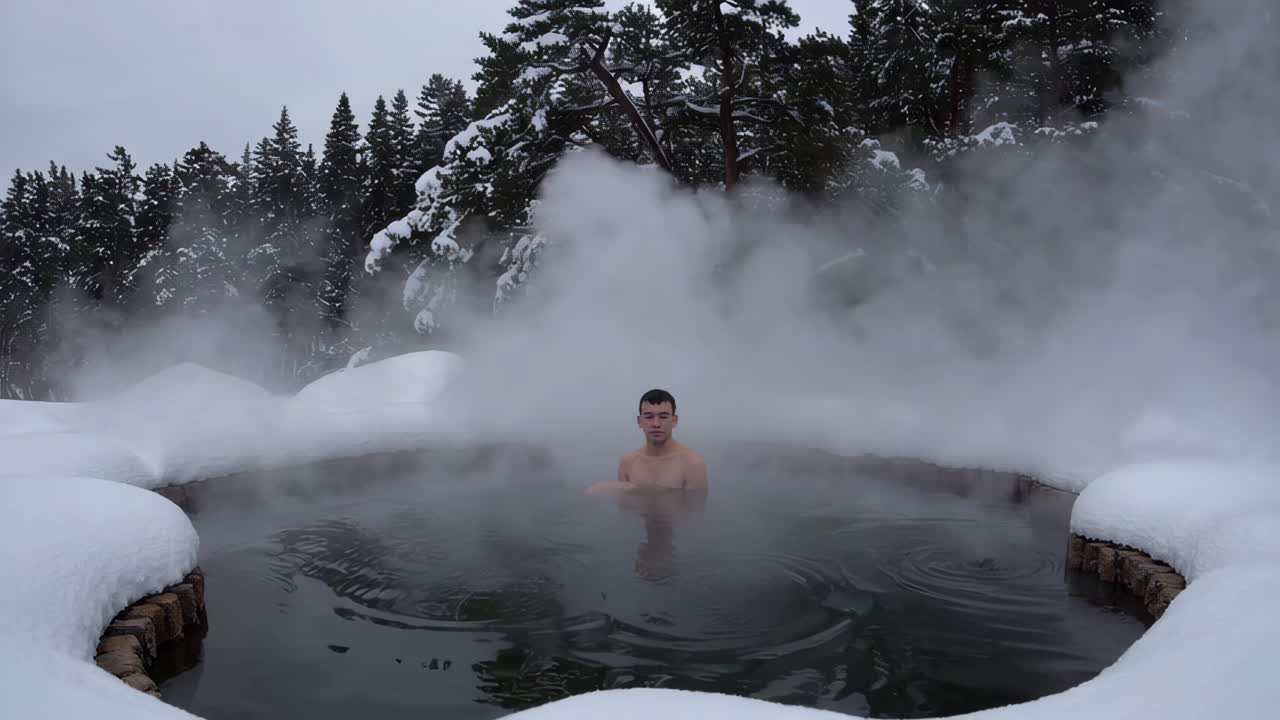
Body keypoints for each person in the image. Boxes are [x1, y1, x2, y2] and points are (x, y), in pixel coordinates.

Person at [586, 388, 708, 496]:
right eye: (649, 417)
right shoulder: (627, 463)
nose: (656, 424)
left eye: (663, 417)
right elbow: (624, 511)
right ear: (639, 421)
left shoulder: (692, 464)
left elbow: (695, 516)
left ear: (674, 421)